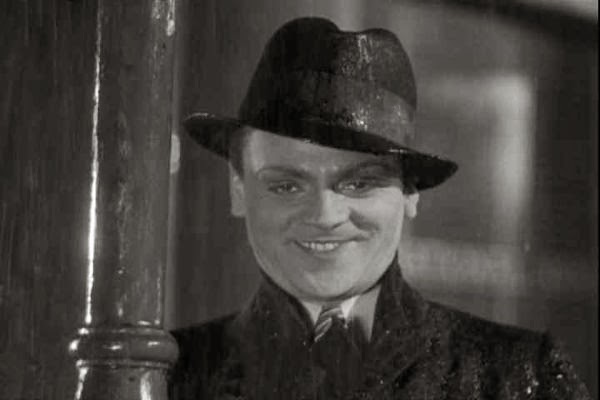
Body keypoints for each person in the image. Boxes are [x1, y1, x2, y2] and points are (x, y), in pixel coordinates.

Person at [168, 17, 590, 400]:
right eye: (286, 185)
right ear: (238, 190)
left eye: (359, 183)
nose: (325, 215)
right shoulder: (163, 377)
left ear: (411, 192)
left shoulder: (519, 377)